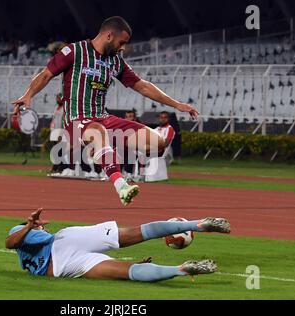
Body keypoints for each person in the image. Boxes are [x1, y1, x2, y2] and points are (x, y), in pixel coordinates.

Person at [12, 16, 199, 206]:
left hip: (104, 119)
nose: (123, 48)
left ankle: (105, 152)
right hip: (78, 121)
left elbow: (142, 86)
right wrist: (28, 95)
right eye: (122, 42)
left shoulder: (116, 61)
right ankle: (121, 185)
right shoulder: (75, 51)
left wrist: (177, 105)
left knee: (156, 142)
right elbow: (46, 75)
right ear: (109, 35)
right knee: (97, 132)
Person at [6, 208, 230, 281]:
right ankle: (198, 224)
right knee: (138, 232)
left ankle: (181, 270)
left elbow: (13, 246)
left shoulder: (30, 259)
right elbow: (9, 242)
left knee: (126, 271)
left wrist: (31, 228)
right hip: (66, 244)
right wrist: (28, 225)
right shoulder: (20, 231)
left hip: (63, 267)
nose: (41, 227)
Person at [144, 111, 175, 182]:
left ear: (168, 119)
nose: (163, 119)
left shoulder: (169, 129)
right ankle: (134, 174)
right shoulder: (156, 129)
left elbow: (166, 144)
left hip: (163, 150)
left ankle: (146, 177)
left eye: (165, 117)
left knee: (145, 153)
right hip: (154, 148)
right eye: (161, 117)